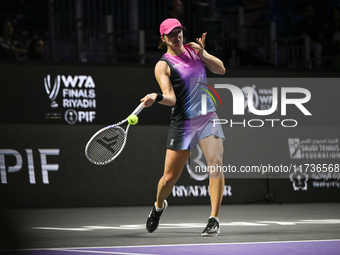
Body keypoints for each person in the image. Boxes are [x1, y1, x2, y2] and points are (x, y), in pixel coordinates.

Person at [140, 18, 226, 236]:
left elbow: (221, 69)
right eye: (171, 34)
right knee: (169, 179)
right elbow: (170, 98)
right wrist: (156, 96)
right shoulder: (163, 65)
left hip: (208, 117)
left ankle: (214, 219)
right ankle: (159, 206)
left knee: (216, 163)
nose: (176, 36)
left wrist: (203, 54)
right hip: (183, 123)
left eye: (179, 32)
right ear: (163, 38)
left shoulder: (194, 50)